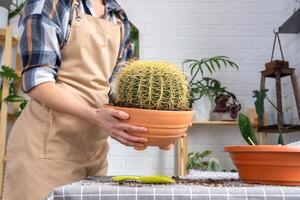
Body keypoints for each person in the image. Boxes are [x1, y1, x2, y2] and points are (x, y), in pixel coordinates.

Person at [2, 0, 148, 199]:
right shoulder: (50, 4)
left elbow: (120, 89)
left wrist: (155, 130)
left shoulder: (118, 17)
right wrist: (95, 115)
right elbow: (37, 82)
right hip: (45, 152)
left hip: (94, 152)